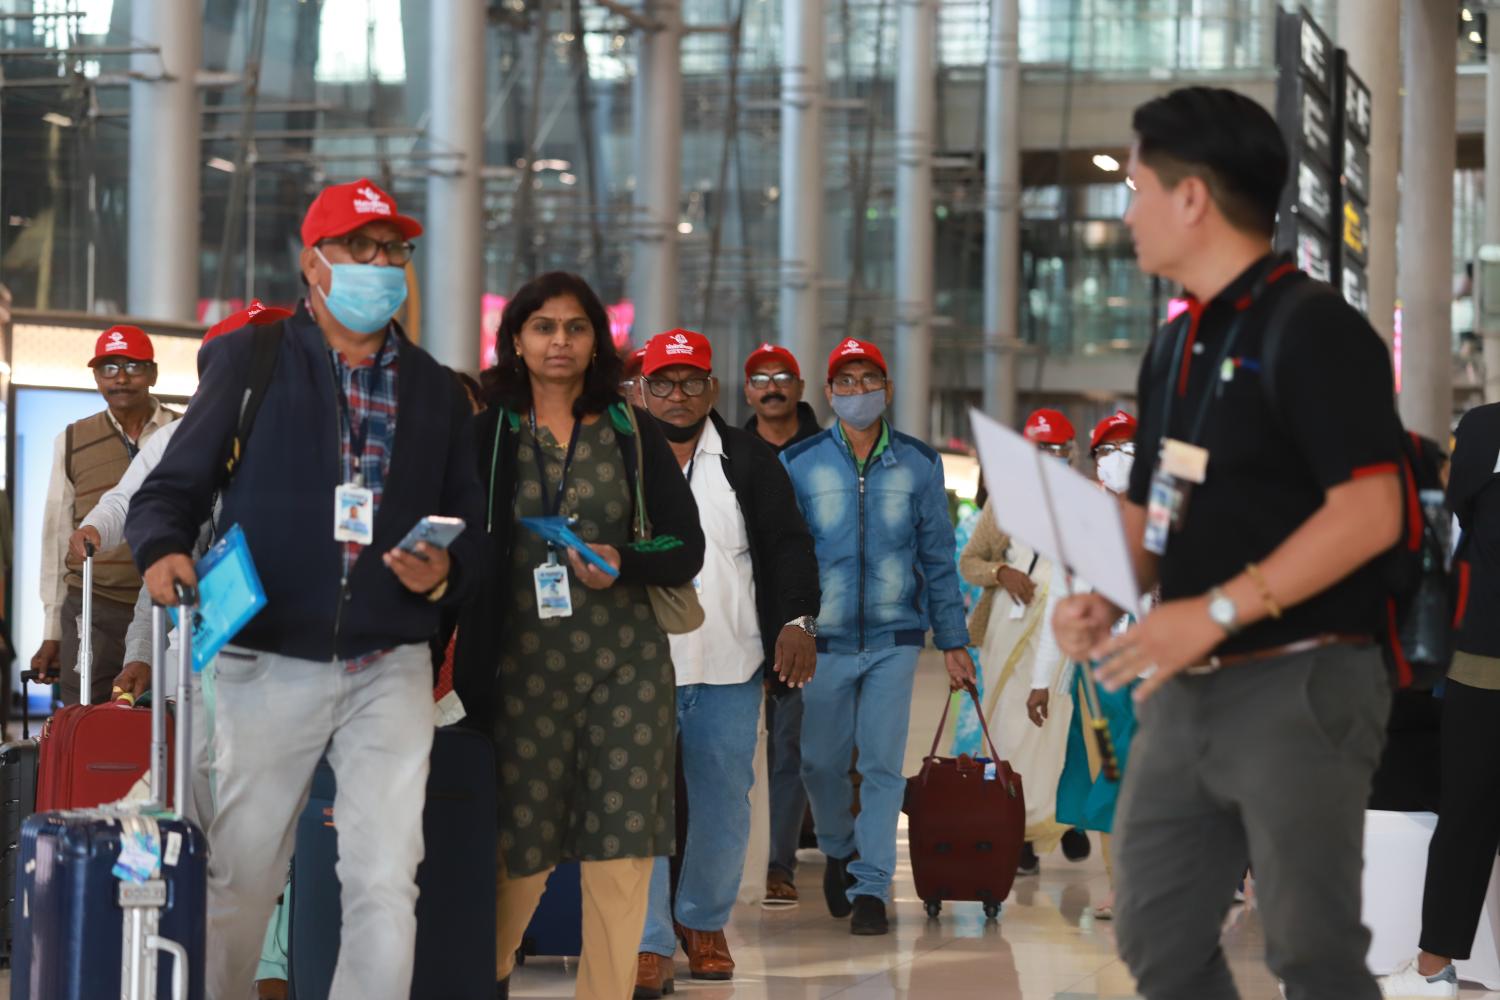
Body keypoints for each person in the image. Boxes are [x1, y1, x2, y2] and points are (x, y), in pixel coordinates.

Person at [1051, 87, 1404, 1000]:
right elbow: (1163, 510)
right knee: (1157, 934)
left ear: (1192, 197)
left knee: (1310, 952)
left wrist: (1210, 612)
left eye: (1135, 187)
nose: (1126, 211)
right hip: (1186, 688)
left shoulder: (1315, 328)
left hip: (1302, 680)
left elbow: (1373, 513)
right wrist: (1110, 587)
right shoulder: (1176, 348)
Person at [125, 178, 485, 999]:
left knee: (386, 880)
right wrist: (160, 553)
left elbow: (474, 525)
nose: (383, 266)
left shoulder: (434, 387)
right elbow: (166, 495)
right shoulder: (252, 360)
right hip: (269, 657)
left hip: (390, 661)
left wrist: (451, 570)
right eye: (363, 248)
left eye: (395, 251)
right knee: (246, 875)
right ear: (315, 264)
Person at [450, 272, 705, 1000]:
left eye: (575, 327)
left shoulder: (632, 432)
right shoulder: (488, 434)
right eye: (543, 327)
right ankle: (481, 981)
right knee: (519, 855)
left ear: (598, 341)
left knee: (622, 854)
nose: (559, 341)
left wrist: (624, 563)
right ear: (517, 341)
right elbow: (457, 548)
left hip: (626, 668)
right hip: (520, 670)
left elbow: (686, 547)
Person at [632, 329, 819, 994]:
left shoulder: (747, 459)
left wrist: (797, 622)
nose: (676, 395)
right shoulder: (620, 457)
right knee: (641, 806)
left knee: (723, 802)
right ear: (642, 389)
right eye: (662, 382)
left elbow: (790, 545)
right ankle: (649, 941)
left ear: (712, 388)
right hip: (638, 669)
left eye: (689, 382)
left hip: (728, 665)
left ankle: (703, 923)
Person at [780, 337, 973, 936]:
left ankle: (870, 887)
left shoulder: (918, 462)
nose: (857, 391)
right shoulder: (800, 462)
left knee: (885, 764)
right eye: (846, 381)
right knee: (820, 763)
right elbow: (789, 561)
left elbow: (939, 558)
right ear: (829, 392)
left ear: (887, 391)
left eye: (869, 381)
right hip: (825, 640)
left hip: (895, 637)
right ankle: (837, 847)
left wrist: (954, 641)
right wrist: (795, 629)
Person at [1379, 411, 1500, 999]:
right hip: (1481, 655)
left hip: (1484, 654)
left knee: (1467, 817)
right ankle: (1434, 969)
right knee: (1467, 816)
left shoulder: (1484, 429)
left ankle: (1434, 969)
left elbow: (1462, 520)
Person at [35, 325, 178, 706]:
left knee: (162, 718)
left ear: (153, 373)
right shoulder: (72, 439)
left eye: (132, 365)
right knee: (87, 716)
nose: (122, 377)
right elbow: (56, 535)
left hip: (164, 605)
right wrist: (52, 630)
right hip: (94, 607)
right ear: (96, 377)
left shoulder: (184, 432)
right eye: (109, 368)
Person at [976, 408, 1091, 875]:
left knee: (1059, 730)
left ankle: (1065, 822)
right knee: (1010, 730)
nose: (1050, 457)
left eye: (1059, 450)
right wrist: (1000, 573)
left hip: (1064, 627)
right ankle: (1016, 829)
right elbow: (969, 561)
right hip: (1008, 631)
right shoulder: (1002, 503)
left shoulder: (1087, 502)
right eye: (1039, 449)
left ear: (1073, 453)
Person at [1038, 410, 1140, 921]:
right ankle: (1121, 884)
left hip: (1159, 667)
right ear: (1095, 460)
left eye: (1132, 448)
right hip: (1101, 676)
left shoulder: (1163, 510)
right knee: (1111, 774)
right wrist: (1042, 679)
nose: (1122, 458)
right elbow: (1060, 596)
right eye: (1111, 449)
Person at [741, 340, 824, 907]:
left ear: (798, 387)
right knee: (739, 747)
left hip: (805, 620)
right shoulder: (730, 451)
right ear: (747, 390)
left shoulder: (825, 453)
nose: (772, 387)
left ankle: (780, 862)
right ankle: (742, 857)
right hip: (741, 619)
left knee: (791, 747)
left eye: (782, 377)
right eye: (760, 378)